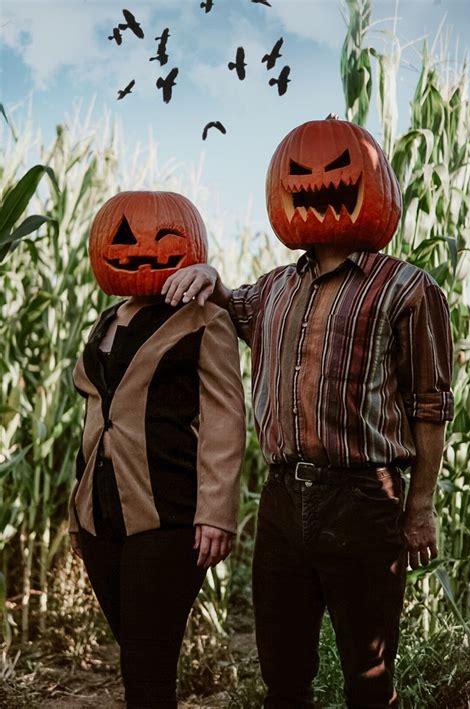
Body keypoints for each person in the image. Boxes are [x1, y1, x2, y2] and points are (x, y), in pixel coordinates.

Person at [162, 117, 454, 708]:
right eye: (299, 173)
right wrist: (211, 276)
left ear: (372, 184)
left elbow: (430, 405)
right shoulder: (273, 290)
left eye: (336, 171)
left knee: (368, 679)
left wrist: (419, 507)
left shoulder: (407, 289)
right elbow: (231, 305)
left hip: (364, 499)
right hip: (282, 501)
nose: (317, 182)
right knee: (283, 673)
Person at [67, 190, 246, 709]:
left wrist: (217, 514)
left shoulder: (203, 319)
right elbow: (93, 421)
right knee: (135, 657)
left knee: (148, 669)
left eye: (164, 240)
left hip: (168, 514)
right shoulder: (105, 321)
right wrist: (77, 514)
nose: (138, 248)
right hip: (100, 516)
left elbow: (224, 418)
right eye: (122, 238)